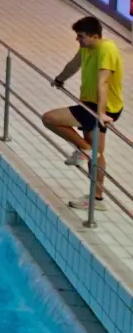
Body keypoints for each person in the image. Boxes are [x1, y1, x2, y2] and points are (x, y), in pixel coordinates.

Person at [44, 15, 124, 209]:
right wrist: (60, 79)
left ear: (95, 36)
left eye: (81, 36)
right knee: (98, 153)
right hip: (90, 104)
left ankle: (84, 151)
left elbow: (104, 82)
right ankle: (96, 198)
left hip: (101, 107)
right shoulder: (87, 47)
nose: (77, 39)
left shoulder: (107, 49)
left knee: (50, 118)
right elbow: (74, 64)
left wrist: (101, 113)